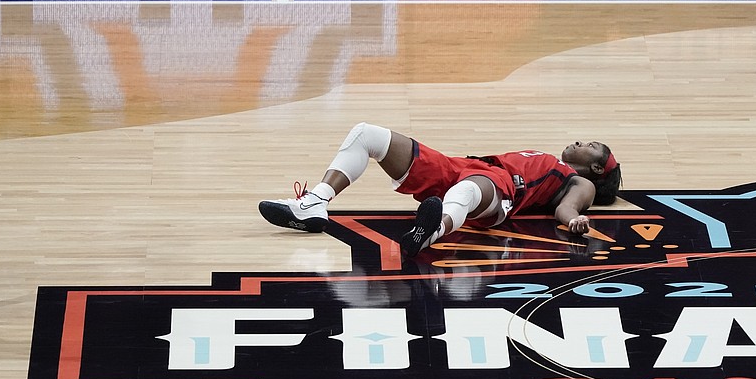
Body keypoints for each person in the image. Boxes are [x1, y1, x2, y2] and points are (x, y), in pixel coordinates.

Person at [258, 122, 621, 256]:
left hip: (502, 190)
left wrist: (575, 221)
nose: (580, 141)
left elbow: (569, 208)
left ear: (594, 167)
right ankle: (315, 203)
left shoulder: (582, 182)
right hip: (465, 167)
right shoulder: (557, 162)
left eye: (591, 145)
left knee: (466, 192)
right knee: (367, 135)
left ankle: (433, 229)